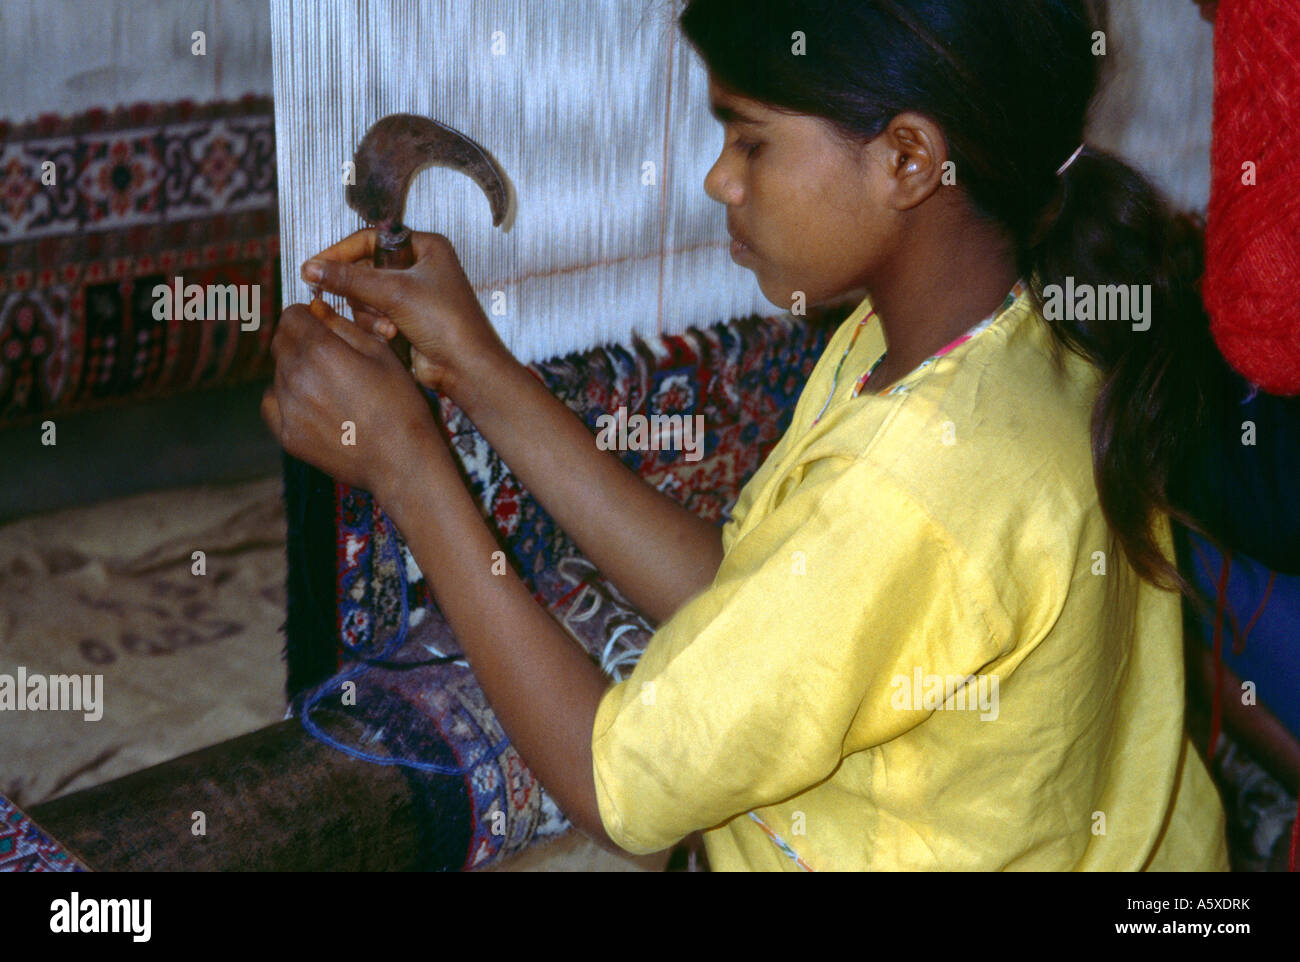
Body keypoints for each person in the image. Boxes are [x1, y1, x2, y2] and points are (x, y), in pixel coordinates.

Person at [262, 0, 1231, 870]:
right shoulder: (997, 328)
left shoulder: (909, 484)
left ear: (905, 157)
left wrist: (409, 467)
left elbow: (621, 793)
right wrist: (477, 369)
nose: (719, 178)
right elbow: (757, 590)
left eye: (751, 140)